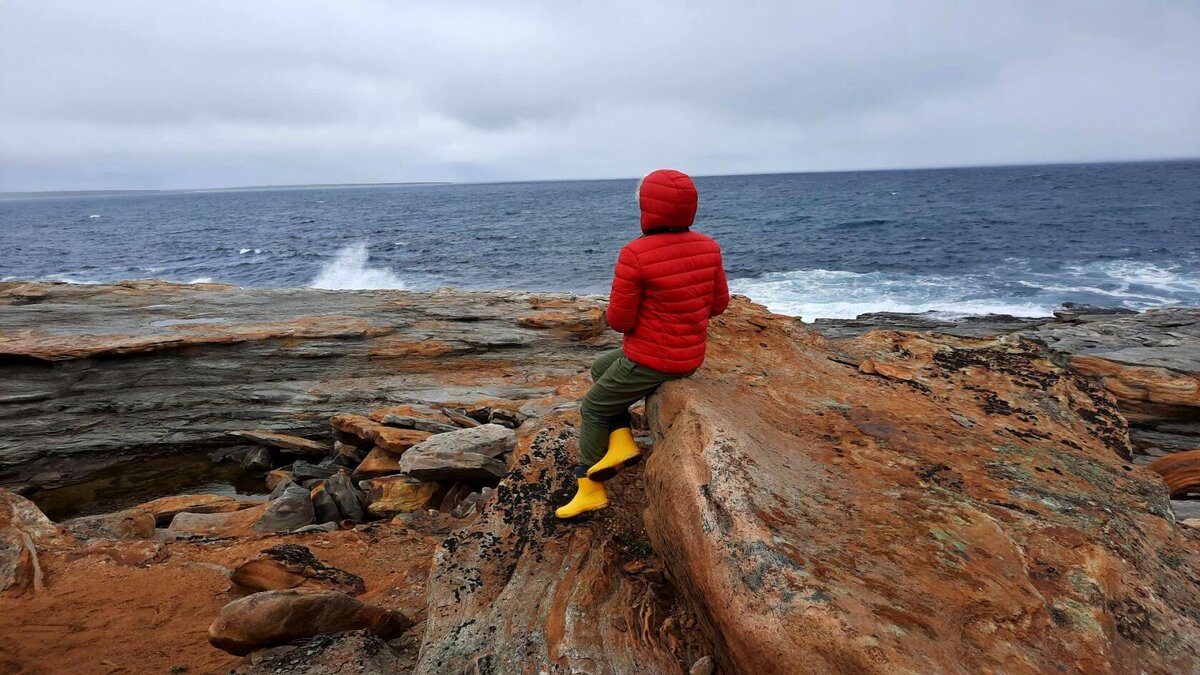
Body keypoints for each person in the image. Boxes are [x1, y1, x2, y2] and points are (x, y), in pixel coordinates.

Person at [555, 168, 729, 519]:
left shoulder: (636, 253)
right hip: (690, 356)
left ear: (647, 208)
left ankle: (589, 488)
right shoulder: (708, 247)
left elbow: (620, 320)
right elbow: (718, 305)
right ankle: (621, 442)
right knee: (601, 367)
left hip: (651, 359)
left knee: (593, 407)